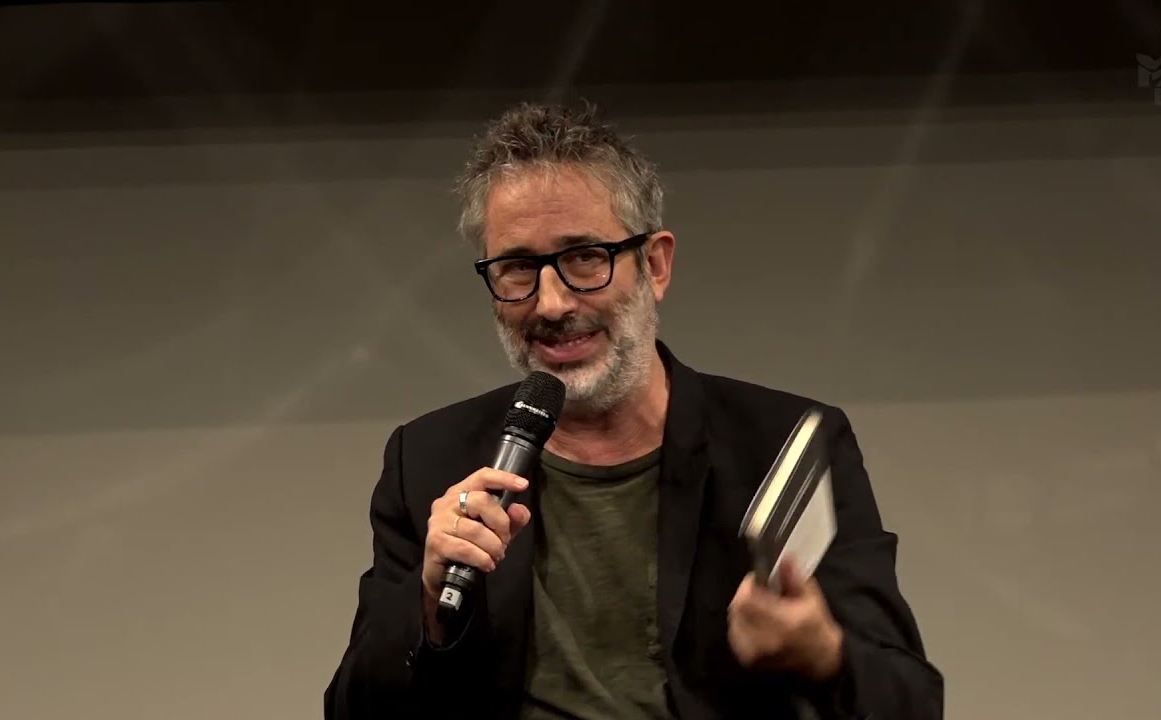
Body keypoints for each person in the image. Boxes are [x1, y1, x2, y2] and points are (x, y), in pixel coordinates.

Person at [323, 101, 943, 720]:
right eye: (517, 269)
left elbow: (912, 701)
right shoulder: (430, 457)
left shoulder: (782, 444)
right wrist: (428, 606)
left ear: (655, 264)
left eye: (584, 257)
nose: (551, 302)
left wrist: (825, 653)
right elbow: (352, 709)